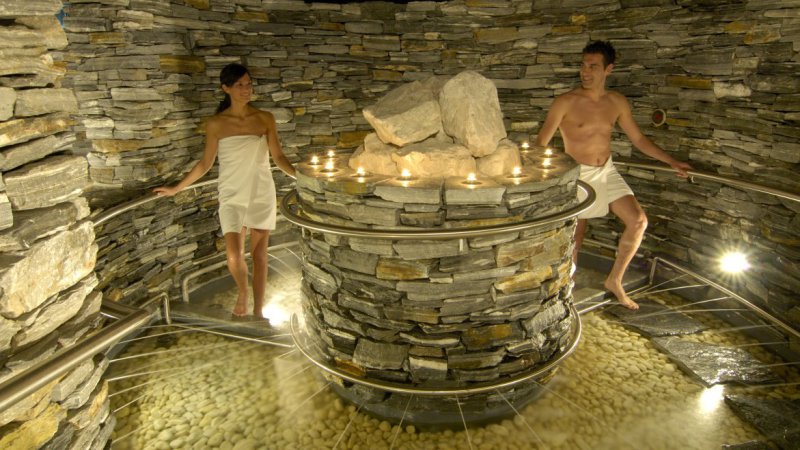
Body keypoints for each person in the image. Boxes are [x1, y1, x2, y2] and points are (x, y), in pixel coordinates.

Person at [535, 40, 691, 310]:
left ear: (609, 69)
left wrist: (672, 161)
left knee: (638, 221)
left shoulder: (616, 102)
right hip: (579, 174)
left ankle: (614, 280)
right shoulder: (565, 102)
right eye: (583, 65)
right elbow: (541, 144)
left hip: (607, 170)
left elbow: (638, 139)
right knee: (575, 238)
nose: (585, 72)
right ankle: (565, 291)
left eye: (593, 66)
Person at [155, 63, 295, 318]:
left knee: (260, 255)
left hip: (261, 190)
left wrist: (299, 176)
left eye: (249, 84)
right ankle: (243, 291)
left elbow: (278, 156)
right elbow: (205, 164)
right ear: (226, 88)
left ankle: (259, 311)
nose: (246, 89)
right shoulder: (216, 124)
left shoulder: (265, 118)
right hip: (231, 192)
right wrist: (176, 188)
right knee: (233, 255)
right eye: (240, 85)